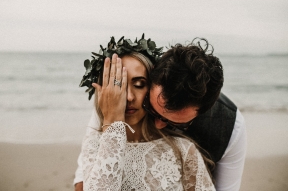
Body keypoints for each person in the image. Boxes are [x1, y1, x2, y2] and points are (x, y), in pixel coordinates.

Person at [75, 37, 246, 191]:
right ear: (154, 78)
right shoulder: (109, 111)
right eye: (153, 110)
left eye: (139, 84)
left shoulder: (227, 127)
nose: (158, 124)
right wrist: (113, 124)